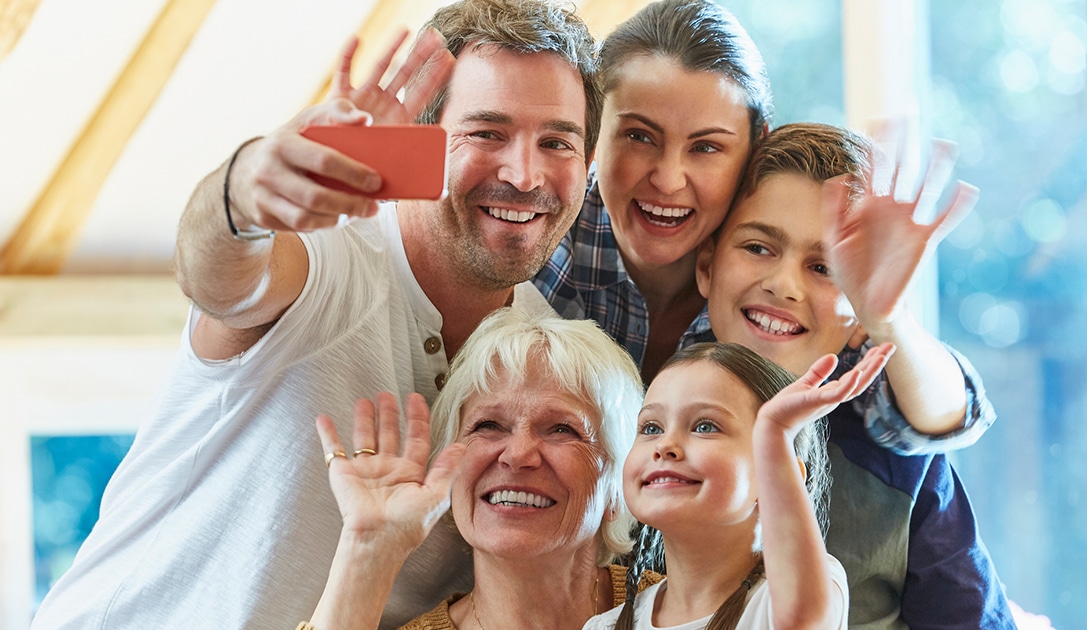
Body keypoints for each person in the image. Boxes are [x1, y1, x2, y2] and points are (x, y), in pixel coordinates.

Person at [30, 1, 601, 628]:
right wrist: (245, 189)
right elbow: (214, 274)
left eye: (557, 142)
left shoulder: (540, 355)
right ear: (422, 141)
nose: (524, 174)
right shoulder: (329, 257)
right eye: (487, 133)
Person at [693, 122, 1017, 628]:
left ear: (857, 321)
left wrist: (888, 320)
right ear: (706, 266)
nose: (783, 285)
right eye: (758, 247)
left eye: (823, 268)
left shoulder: (892, 455)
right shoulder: (650, 407)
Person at [305, 308, 649, 630]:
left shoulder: (679, 609)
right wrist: (370, 549)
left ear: (618, 484)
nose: (517, 455)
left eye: (562, 429)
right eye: (488, 426)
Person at [534, 0, 771, 383]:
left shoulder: (780, 269)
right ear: (592, 127)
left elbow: (891, 427)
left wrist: (884, 319)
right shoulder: (534, 240)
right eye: (639, 136)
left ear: (755, 148)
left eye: (706, 147)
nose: (668, 180)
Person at [587, 341, 895, 630]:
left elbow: (803, 618)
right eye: (651, 427)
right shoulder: (603, 626)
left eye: (705, 426)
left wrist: (776, 435)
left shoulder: (796, 594)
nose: (665, 445)